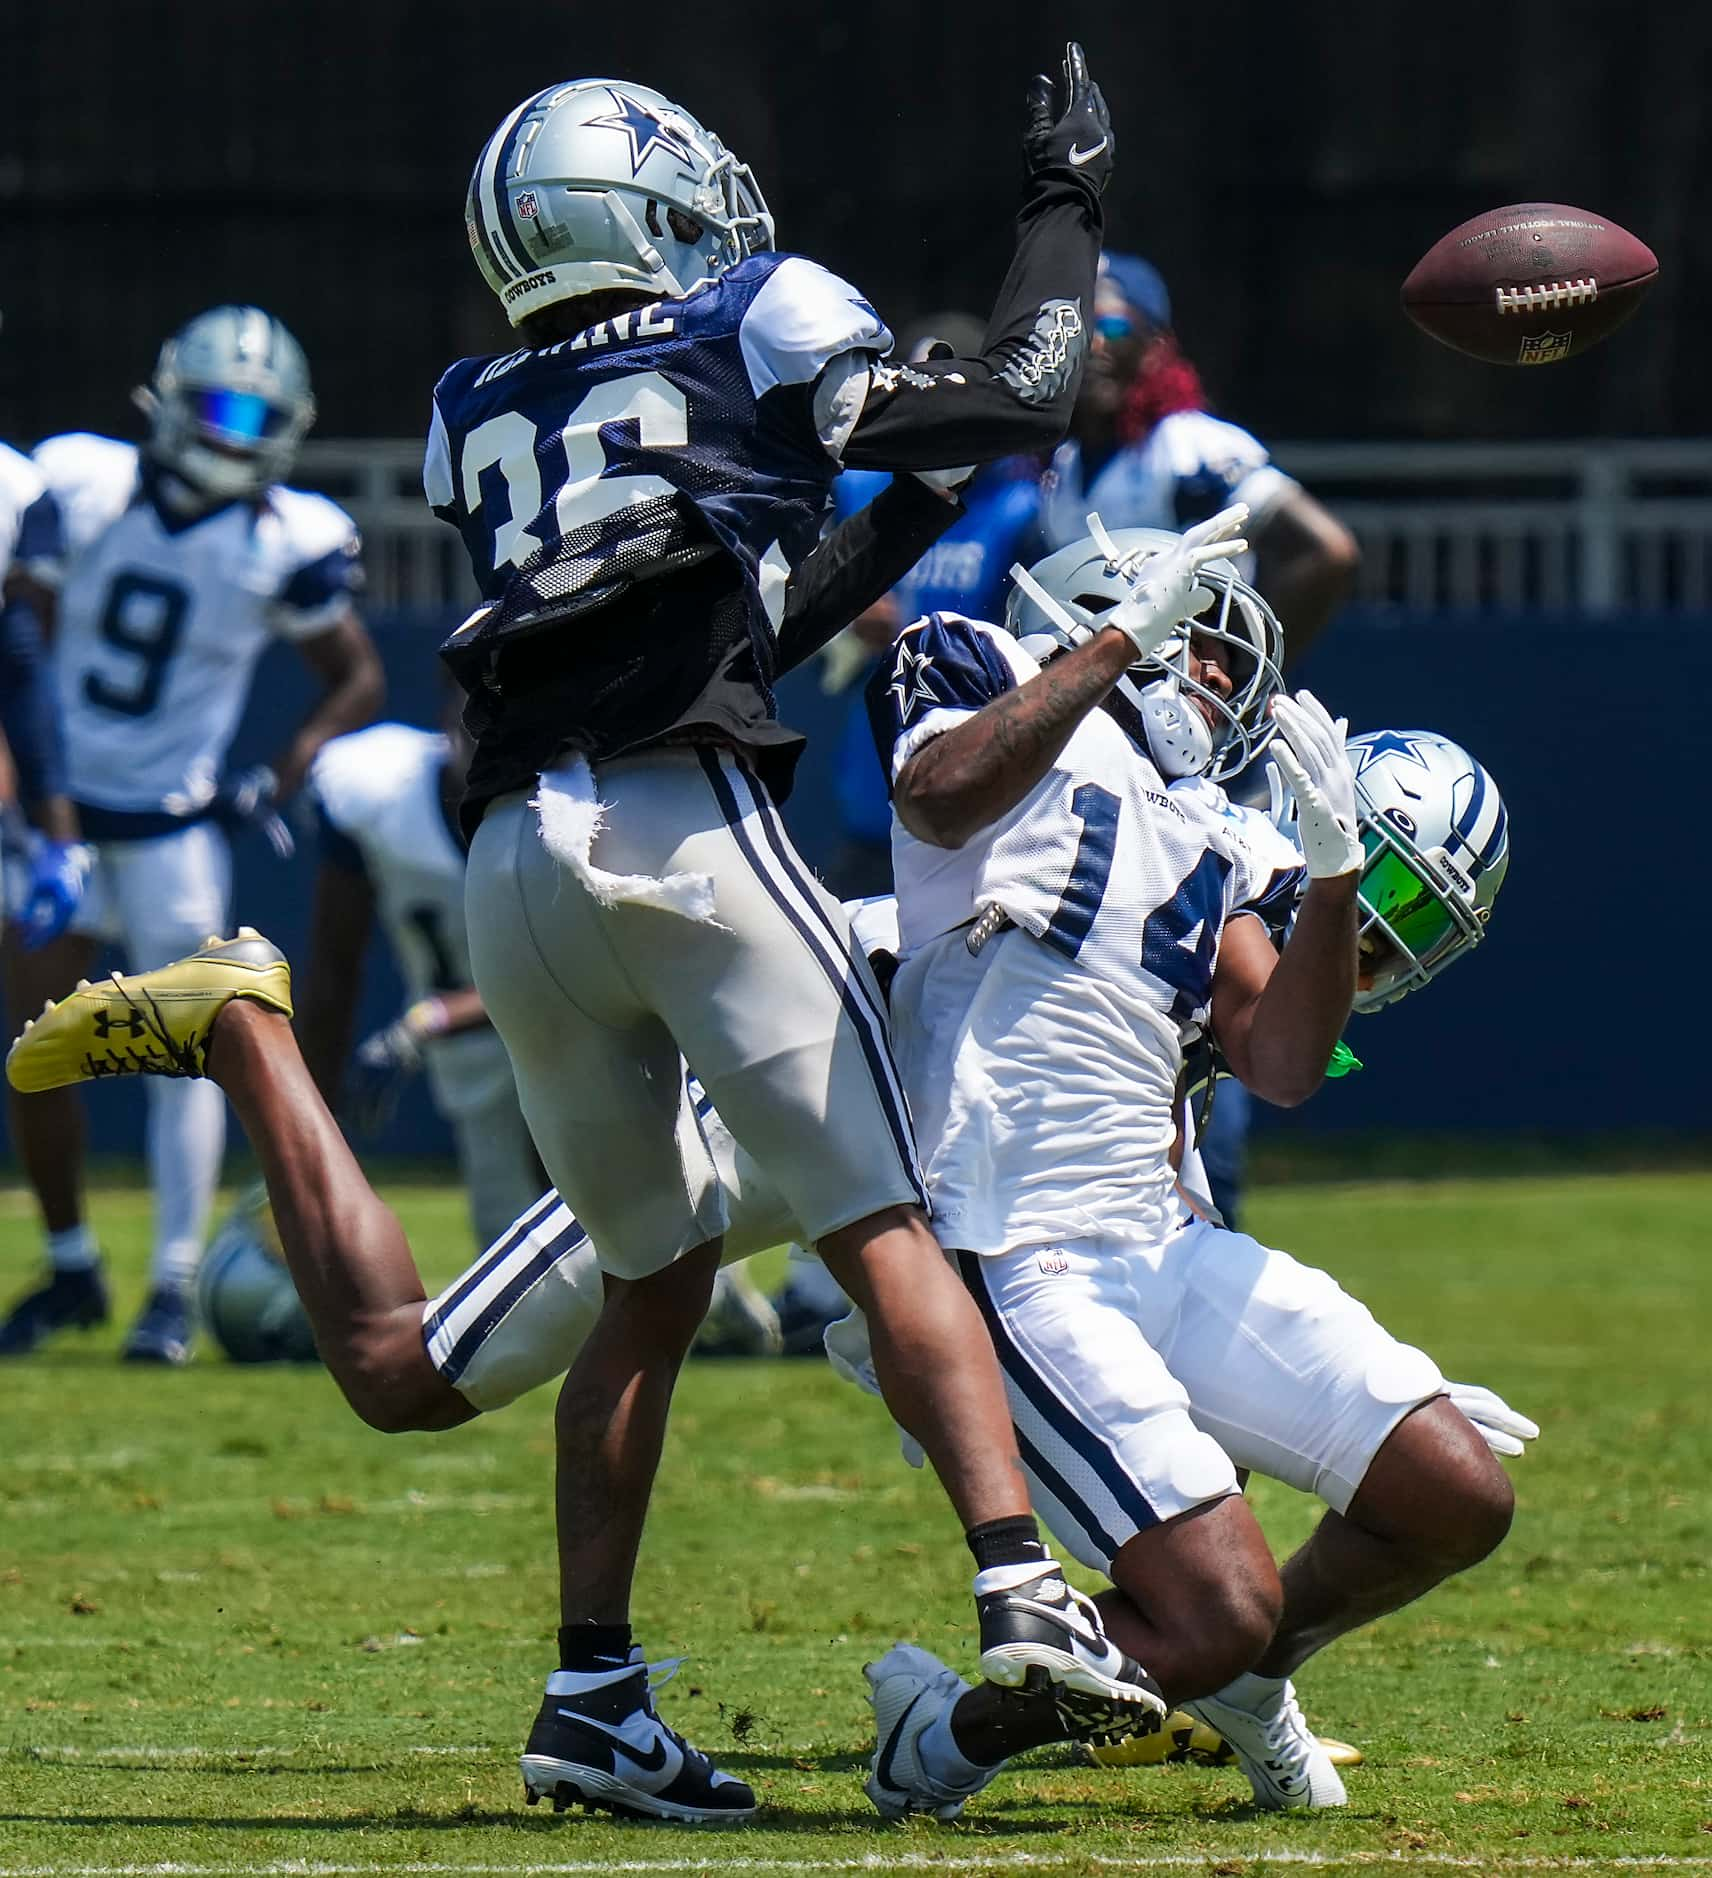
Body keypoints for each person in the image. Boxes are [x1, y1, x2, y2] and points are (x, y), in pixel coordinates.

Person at [425, 48, 1173, 1820]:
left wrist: (895, 512)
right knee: (880, 1215)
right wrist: (1066, 198)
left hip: (514, 869)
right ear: (640, 201)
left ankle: (590, 1692)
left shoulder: (474, 400)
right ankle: (1020, 1589)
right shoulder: (753, 308)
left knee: (647, 1276)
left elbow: (734, 609)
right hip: (686, 827)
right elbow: (1022, 393)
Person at [842, 517, 1513, 1818]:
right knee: (1215, 1606)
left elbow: (1279, 1061)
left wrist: (1328, 879)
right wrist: (1116, 646)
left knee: (1451, 1492)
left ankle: (1232, 1678)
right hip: (1014, 1246)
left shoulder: (1214, 829)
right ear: (1107, 608)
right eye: (1195, 647)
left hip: (1159, 1237)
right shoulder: (966, 657)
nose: (1211, 682)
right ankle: (941, 1736)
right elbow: (937, 792)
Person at [0, 306, 383, 1365]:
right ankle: (72, 1260)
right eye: (218, 405)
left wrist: (285, 767)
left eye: (256, 414)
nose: (233, 431)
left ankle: (169, 1285)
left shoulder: (289, 536)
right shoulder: (79, 483)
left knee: (187, 1058)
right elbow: (18, 629)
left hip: (175, 827)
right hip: (57, 817)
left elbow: (355, 674)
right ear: (168, 399)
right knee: (37, 1046)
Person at [1040, 251, 1363, 1229]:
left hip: (1197, 783)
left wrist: (1239, 691)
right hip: (1109, 775)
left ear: (1154, 341)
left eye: (1110, 326)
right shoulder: (1059, 467)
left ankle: (1204, 1222)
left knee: (1207, 999)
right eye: (1074, 329)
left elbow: (1323, 549)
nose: (1090, 349)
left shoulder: (1189, 449)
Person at [296, 697, 546, 1251]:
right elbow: (334, 969)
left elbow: (574, 965)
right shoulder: (379, 793)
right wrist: (311, 1139)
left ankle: (723, 1294)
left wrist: (429, 1020)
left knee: (626, 1233)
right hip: (476, 1064)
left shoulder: (573, 803)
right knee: (517, 1265)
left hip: (579, 1027)